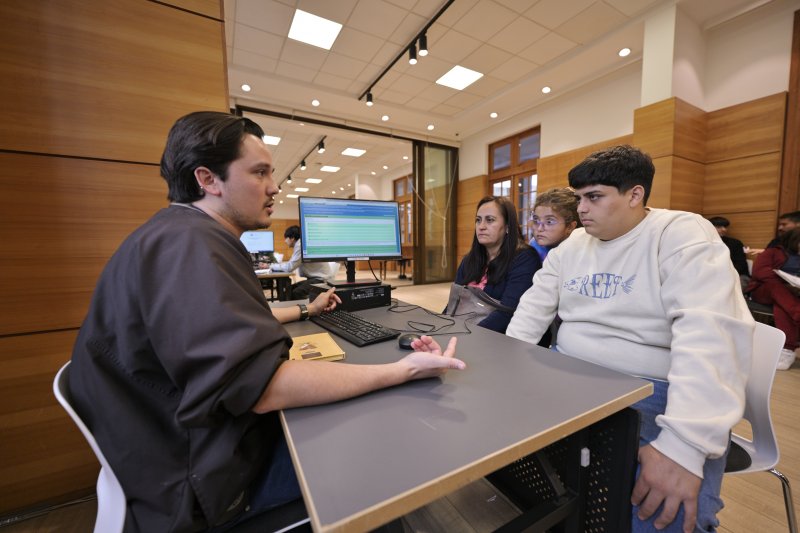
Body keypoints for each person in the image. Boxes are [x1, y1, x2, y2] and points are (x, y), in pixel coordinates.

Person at [68, 111, 465, 532]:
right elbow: (264, 388)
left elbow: (233, 323)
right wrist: (401, 370)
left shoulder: (175, 234)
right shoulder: (192, 247)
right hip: (202, 486)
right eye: (260, 172)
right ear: (208, 179)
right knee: (375, 451)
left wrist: (305, 311)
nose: (275, 186)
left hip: (171, 456)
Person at [506, 145, 753, 533]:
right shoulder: (573, 245)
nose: (581, 209)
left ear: (635, 194)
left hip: (650, 389)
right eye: (579, 198)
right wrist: (508, 365)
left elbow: (711, 335)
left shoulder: (680, 233)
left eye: (594, 197)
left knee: (666, 516)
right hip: (564, 373)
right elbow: (531, 311)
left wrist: (684, 445)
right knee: (520, 477)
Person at [449, 196, 542, 334]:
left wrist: (467, 335)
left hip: (495, 337)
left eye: (490, 220)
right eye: (478, 220)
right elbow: (454, 304)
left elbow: (507, 313)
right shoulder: (469, 259)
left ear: (507, 227)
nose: (481, 226)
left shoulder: (525, 259)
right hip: (462, 330)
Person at [746, 228, 800, 369]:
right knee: (777, 288)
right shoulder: (773, 252)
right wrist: (785, 281)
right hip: (764, 290)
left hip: (791, 295)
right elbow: (759, 272)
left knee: (782, 306)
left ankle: (787, 350)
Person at [269, 225, 335, 299]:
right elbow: (291, 264)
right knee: (289, 290)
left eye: (286, 238)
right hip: (317, 279)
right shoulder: (301, 243)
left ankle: (305, 306)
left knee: (295, 293)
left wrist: (271, 266)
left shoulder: (300, 245)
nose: (285, 241)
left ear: (292, 238)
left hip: (320, 280)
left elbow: (289, 267)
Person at [530, 187, 580, 262]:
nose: (539, 228)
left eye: (549, 222)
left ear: (570, 227)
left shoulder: (582, 250)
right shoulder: (534, 246)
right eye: (536, 220)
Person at [707, 216, 750, 289]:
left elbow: (741, 265)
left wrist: (723, 274)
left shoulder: (735, 243)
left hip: (738, 275)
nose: (724, 229)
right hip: (713, 275)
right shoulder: (705, 244)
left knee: (728, 288)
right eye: (719, 227)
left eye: (725, 227)